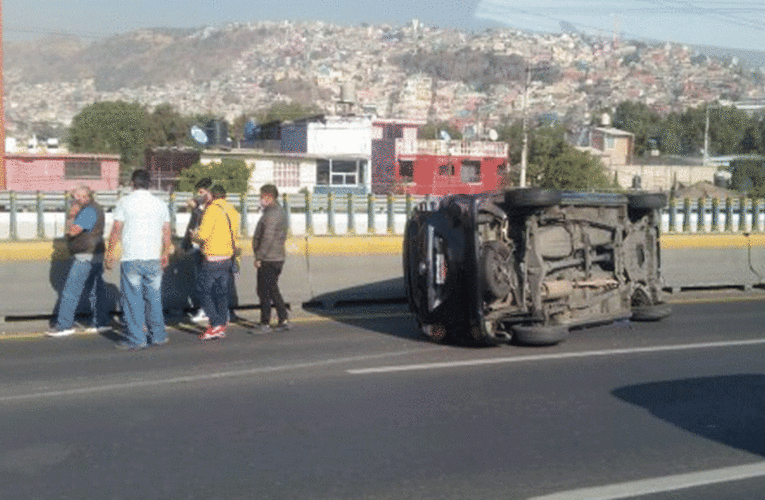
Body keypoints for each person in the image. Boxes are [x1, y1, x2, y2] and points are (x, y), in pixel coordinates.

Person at [105, 169, 173, 350]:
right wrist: (165, 253)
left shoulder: (124, 202)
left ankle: (136, 339)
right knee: (154, 298)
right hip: (154, 257)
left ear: (132, 184)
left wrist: (109, 253)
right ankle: (158, 335)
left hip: (132, 257)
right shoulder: (160, 204)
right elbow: (166, 231)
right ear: (149, 184)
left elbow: (116, 230)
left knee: (132, 300)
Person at [47, 185, 110, 337]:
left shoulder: (88, 210)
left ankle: (64, 325)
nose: (72, 201)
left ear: (83, 197)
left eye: (74, 198)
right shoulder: (96, 208)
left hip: (85, 255)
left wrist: (71, 217)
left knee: (71, 291)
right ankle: (100, 322)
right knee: (95, 289)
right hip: (96, 253)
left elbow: (74, 230)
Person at [192, 184, 240, 340]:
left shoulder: (211, 210)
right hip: (228, 257)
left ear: (211, 195)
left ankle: (214, 325)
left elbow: (203, 235)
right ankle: (221, 323)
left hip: (212, 257)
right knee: (221, 292)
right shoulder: (232, 210)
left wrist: (194, 235)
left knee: (204, 292)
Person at [252, 183, 290, 332]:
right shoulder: (276, 212)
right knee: (272, 289)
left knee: (264, 291)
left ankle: (265, 322)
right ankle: (283, 317)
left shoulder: (272, 215)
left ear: (269, 197)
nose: (260, 199)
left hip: (269, 258)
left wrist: (259, 256)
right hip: (276, 256)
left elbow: (267, 238)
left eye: (261, 197)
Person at [182, 177, 213, 323]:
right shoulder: (201, 203)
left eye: (201, 191)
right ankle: (206, 308)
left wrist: (195, 208)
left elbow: (202, 221)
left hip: (203, 245)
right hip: (197, 245)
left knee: (203, 279)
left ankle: (206, 310)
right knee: (202, 279)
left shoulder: (208, 205)